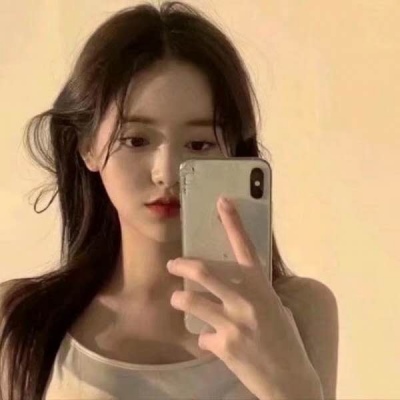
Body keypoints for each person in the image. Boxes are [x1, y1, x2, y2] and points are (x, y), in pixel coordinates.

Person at [0, 2, 339, 399]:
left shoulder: (298, 311)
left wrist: (290, 385)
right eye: (135, 140)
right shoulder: (21, 321)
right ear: (87, 147)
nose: (167, 172)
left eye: (199, 144)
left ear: (234, 153)